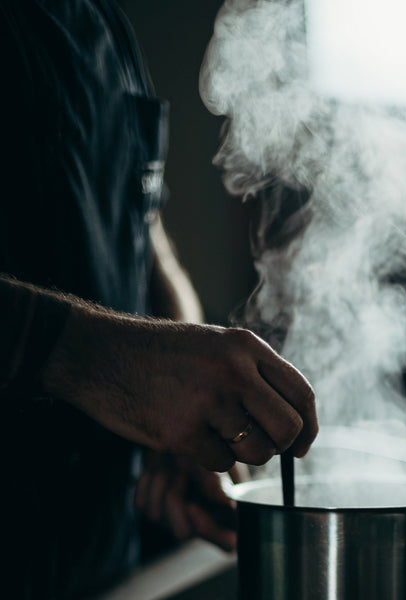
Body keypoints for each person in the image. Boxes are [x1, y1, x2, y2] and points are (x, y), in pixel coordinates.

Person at [0, 0, 318, 598]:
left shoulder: (96, 20)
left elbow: (143, 227)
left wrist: (180, 415)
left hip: (96, 554)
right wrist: (104, 360)